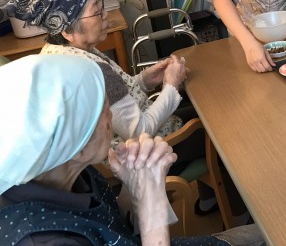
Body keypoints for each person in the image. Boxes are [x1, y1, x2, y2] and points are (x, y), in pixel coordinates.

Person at [0, 54, 266, 245]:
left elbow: (116, 228)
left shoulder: (74, 169)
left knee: (265, 234)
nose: (110, 119)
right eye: (103, 112)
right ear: (76, 145)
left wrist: (133, 185)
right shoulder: (42, 239)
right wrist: (151, 204)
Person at [3, 0, 188, 147]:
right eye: (97, 11)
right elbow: (139, 131)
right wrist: (171, 85)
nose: (105, 14)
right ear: (67, 31)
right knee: (203, 120)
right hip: (144, 153)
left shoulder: (58, 52)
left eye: (101, 5)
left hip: (133, 139)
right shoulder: (90, 70)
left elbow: (111, 99)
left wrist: (144, 80)